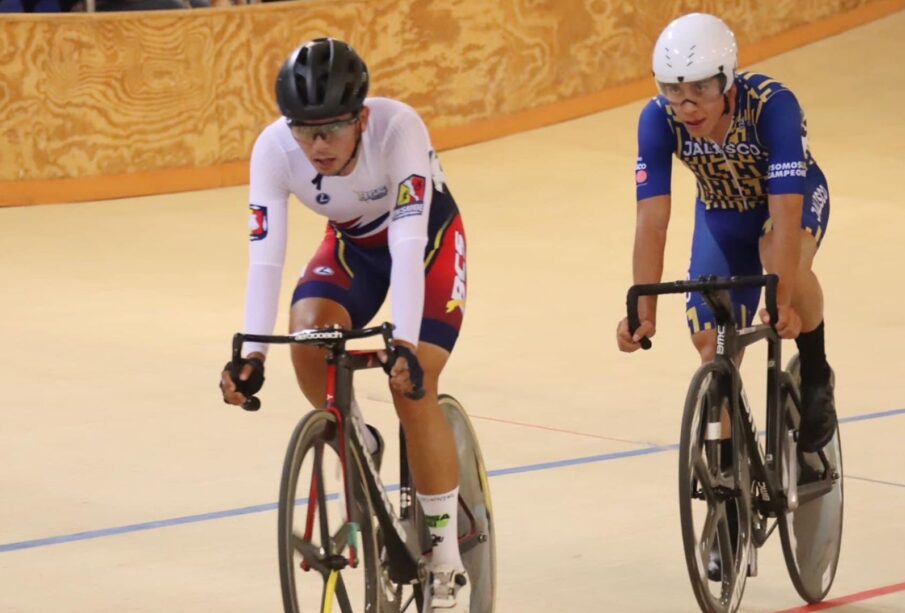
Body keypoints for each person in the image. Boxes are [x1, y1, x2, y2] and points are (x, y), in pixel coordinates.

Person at [219, 38, 471, 611]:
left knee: (413, 387)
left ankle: (444, 559)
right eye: (304, 131)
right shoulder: (273, 150)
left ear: (360, 118)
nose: (317, 146)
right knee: (307, 336)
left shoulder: (399, 129)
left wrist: (403, 344)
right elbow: (266, 258)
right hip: (353, 245)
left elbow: (408, 245)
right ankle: (360, 439)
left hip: (427, 243)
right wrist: (252, 354)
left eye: (330, 129)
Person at [616, 13, 837, 451]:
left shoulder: (774, 107)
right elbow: (651, 220)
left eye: (701, 88)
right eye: (673, 90)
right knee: (710, 345)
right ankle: (730, 484)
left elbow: (786, 208)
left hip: (789, 202)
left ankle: (816, 372)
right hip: (721, 216)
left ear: (728, 81)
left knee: (781, 254)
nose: (688, 106)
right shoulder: (657, 120)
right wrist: (644, 311)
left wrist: (784, 300)